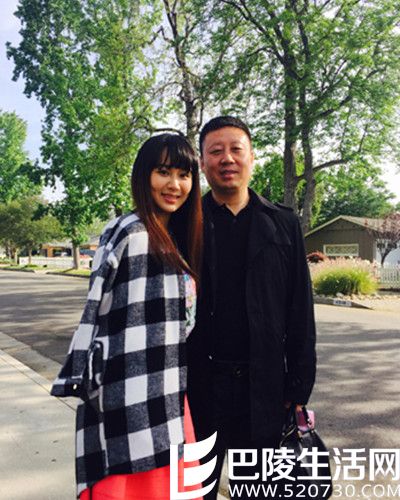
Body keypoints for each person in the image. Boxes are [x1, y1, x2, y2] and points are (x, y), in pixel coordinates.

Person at [51, 133, 203, 499]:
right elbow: (96, 312)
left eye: (184, 175)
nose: (174, 184)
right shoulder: (132, 233)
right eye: (163, 172)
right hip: (130, 393)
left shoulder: (169, 235)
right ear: (143, 175)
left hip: (167, 388)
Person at [187, 116, 317, 499]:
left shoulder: (283, 224)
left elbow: (300, 310)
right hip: (199, 386)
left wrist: (299, 384)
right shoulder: (186, 224)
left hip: (263, 388)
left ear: (252, 157)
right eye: (216, 151)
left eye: (236, 149)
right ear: (202, 163)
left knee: (257, 490)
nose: (227, 158)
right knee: (194, 491)